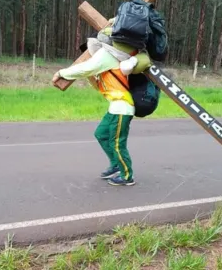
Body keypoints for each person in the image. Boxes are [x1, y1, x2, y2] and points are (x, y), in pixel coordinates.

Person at [52, 18, 151, 186]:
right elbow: (96, 79)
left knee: (117, 143)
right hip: (115, 106)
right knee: (101, 134)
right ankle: (115, 165)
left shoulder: (108, 55)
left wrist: (62, 73)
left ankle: (127, 176)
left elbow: (86, 68)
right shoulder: (110, 60)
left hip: (123, 107)